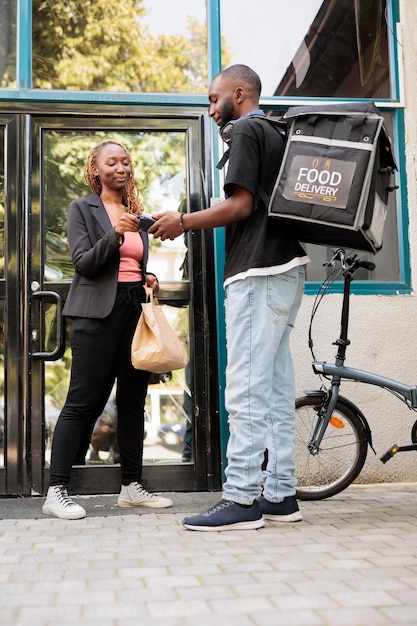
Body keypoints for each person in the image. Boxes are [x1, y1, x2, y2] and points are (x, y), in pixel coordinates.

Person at [149, 64, 309, 531]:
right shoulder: (277, 132)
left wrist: (182, 221)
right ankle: (280, 494)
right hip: (286, 269)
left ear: (240, 94)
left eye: (214, 98)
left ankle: (241, 498)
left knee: (245, 387)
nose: (211, 108)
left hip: (258, 272)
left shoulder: (246, 131)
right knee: (276, 389)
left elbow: (240, 205)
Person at [42, 140, 173, 520]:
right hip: (96, 317)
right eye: (111, 162)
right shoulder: (82, 208)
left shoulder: (136, 213)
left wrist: (146, 277)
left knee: (132, 404)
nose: (121, 167)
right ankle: (57, 491)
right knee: (83, 402)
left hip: (134, 310)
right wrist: (115, 233)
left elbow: (128, 266)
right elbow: (85, 263)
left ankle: (132, 487)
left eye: (126, 161)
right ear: (95, 170)